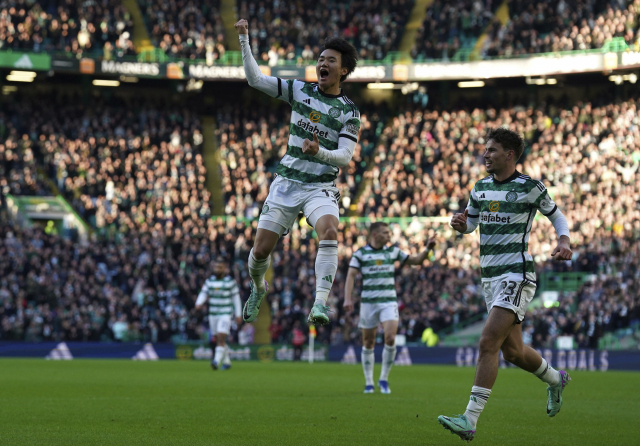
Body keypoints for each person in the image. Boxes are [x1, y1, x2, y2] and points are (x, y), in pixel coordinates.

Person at [438, 128, 573, 442]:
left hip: (517, 274)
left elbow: (558, 217)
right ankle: (555, 379)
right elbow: (471, 223)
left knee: (487, 343)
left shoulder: (530, 187)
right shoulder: (480, 187)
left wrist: (563, 241)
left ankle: (469, 420)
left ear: (510, 154)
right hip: (489, 277)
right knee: (512, 352)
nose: (486, 154)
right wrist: (461, 225)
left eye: (492, 150)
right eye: (486, 149)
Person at [234, 18, 361, 327]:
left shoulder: (349, 111)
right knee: (260, 250)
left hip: (320, 187)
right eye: (321, 59)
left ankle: (320, 303)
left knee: (330, 232)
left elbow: (344, 157)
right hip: (287, 183)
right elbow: (255, 79)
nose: (323, 63)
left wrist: (319, 152)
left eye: (330, 60)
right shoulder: (299, 90)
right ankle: (258, 286)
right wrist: (244, 40)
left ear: (343, 70)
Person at [344, 222, 435, 394]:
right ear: (375, 235)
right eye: (385, 233)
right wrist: (347, 298)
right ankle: (369, 382)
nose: (389, 236)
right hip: (368, 303)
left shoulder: (392, 251)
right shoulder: (361, 254)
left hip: (388, 301)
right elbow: (351, 275)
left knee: (391, 338)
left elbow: (415, 260)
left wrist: (427, 249)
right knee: (368, 342)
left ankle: (384, 380)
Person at [195, 258, 242, 370]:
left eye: (220, 267)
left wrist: (238, 314)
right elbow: (203, 293)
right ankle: (226, 361)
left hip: (225, 313)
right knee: (218, 338)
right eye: (216, 267)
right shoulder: (209, 281)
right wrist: (198, 303)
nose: (217, 269)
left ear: (224, 269)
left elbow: (236, 298)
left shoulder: (230, 282)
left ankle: (216, 361)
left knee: (221, 336)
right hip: (213, 314)